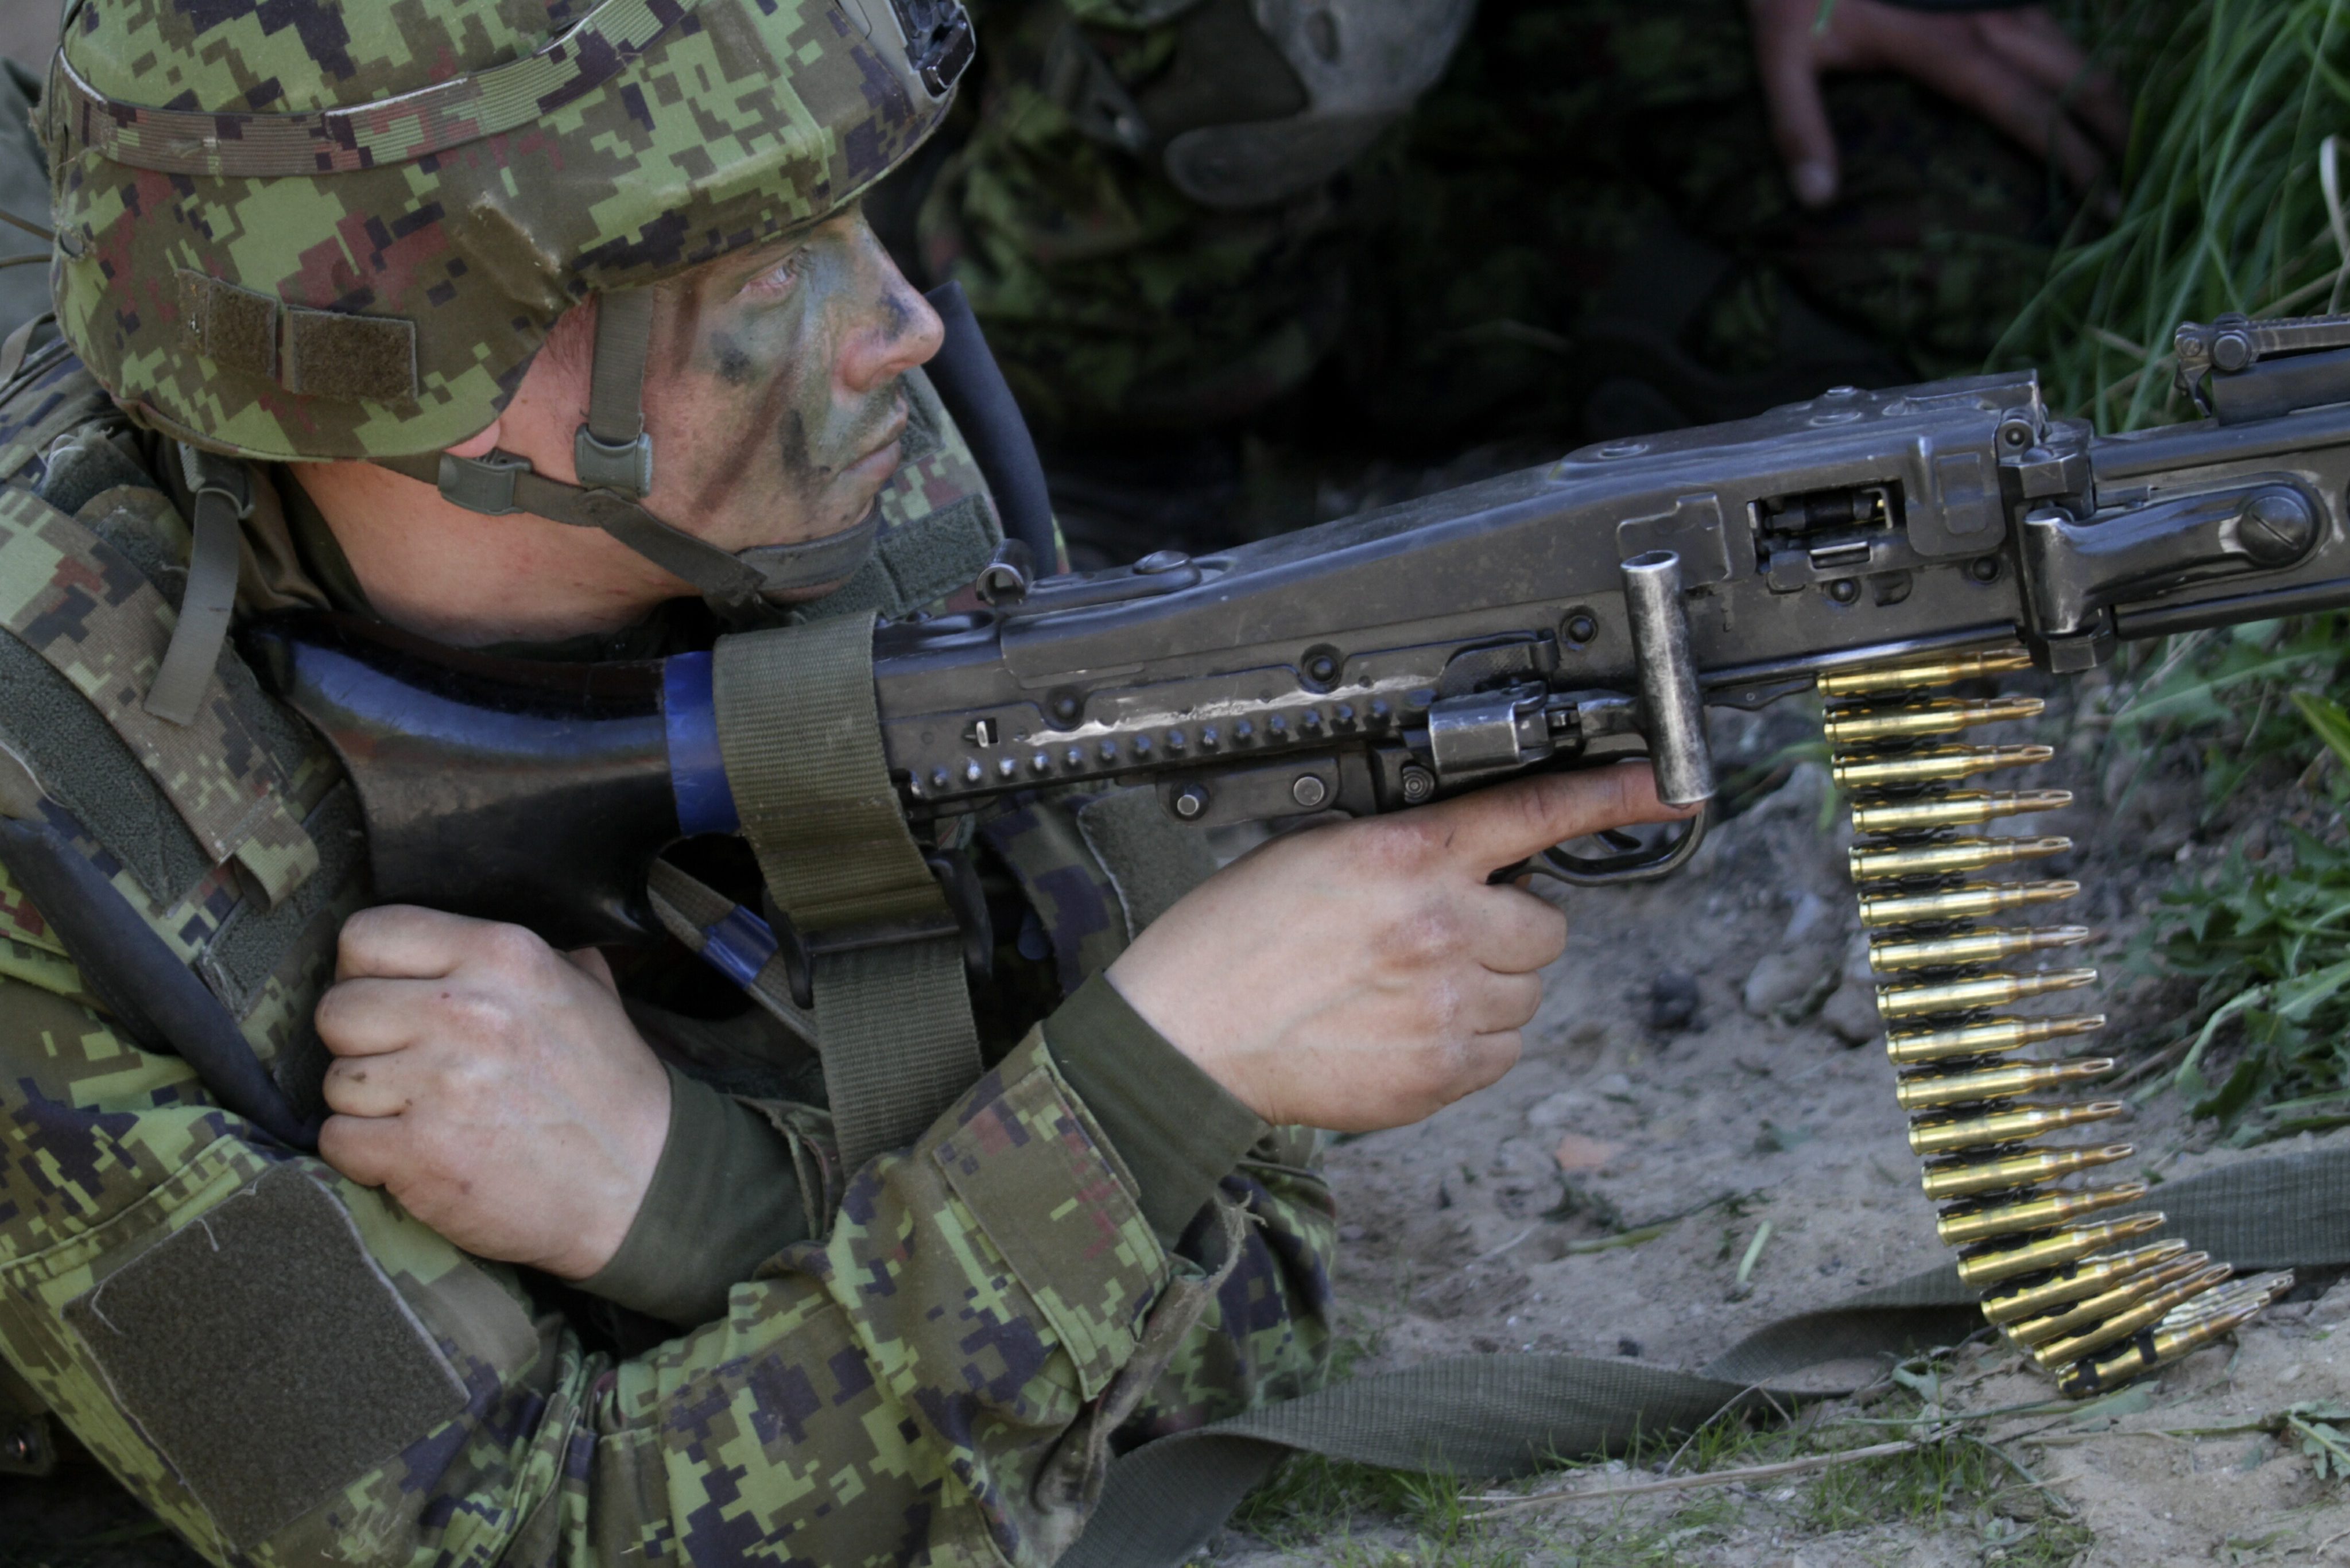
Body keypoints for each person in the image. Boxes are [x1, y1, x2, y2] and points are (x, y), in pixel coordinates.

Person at [0, 1, 1687, 1563]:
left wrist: (688, 1190)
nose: (904, 325)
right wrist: (1152, 1076)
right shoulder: (46, 827)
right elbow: (513, 1533)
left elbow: (1250, 1277)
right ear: (449, 378)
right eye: (761, 275)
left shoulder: (801, 468)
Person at [892, 0, 2131, 559]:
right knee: (1306, 30)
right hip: (1063, 115)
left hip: (1467, 103)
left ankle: (1512, 328)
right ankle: (1100, 417)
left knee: (1983, 236)